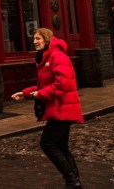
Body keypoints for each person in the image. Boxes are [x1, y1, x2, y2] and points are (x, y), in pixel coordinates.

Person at [12, 28, 84, 189]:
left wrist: (39, 94)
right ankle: (74, 182)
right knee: (61, 146)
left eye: (38, 38)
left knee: (48, 144)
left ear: (47, 39)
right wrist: (25, 93)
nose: (35, 41)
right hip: (59, 108)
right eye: (34, 38)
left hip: (63, 109)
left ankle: (72, 180)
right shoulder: (47, 57)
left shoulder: (57, 56)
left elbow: (62, 84)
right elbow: (43, 85)